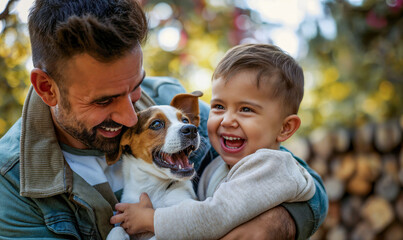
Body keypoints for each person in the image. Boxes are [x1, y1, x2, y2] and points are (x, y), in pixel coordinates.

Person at [0, 0, 328, 239]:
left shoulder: (167, 101)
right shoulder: (12, 186)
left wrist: (271, 227)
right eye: (104, 100)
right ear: (47, 88)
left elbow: (307, 185)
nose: (131, 115)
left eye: (135, 86)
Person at [110, 43, 319, 239]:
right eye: (218, 107)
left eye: (246, 109)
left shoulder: (271, 165)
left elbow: (213, 216)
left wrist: (150, 219)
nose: (227, 121)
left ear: (285, 128)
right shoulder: (217, 166)